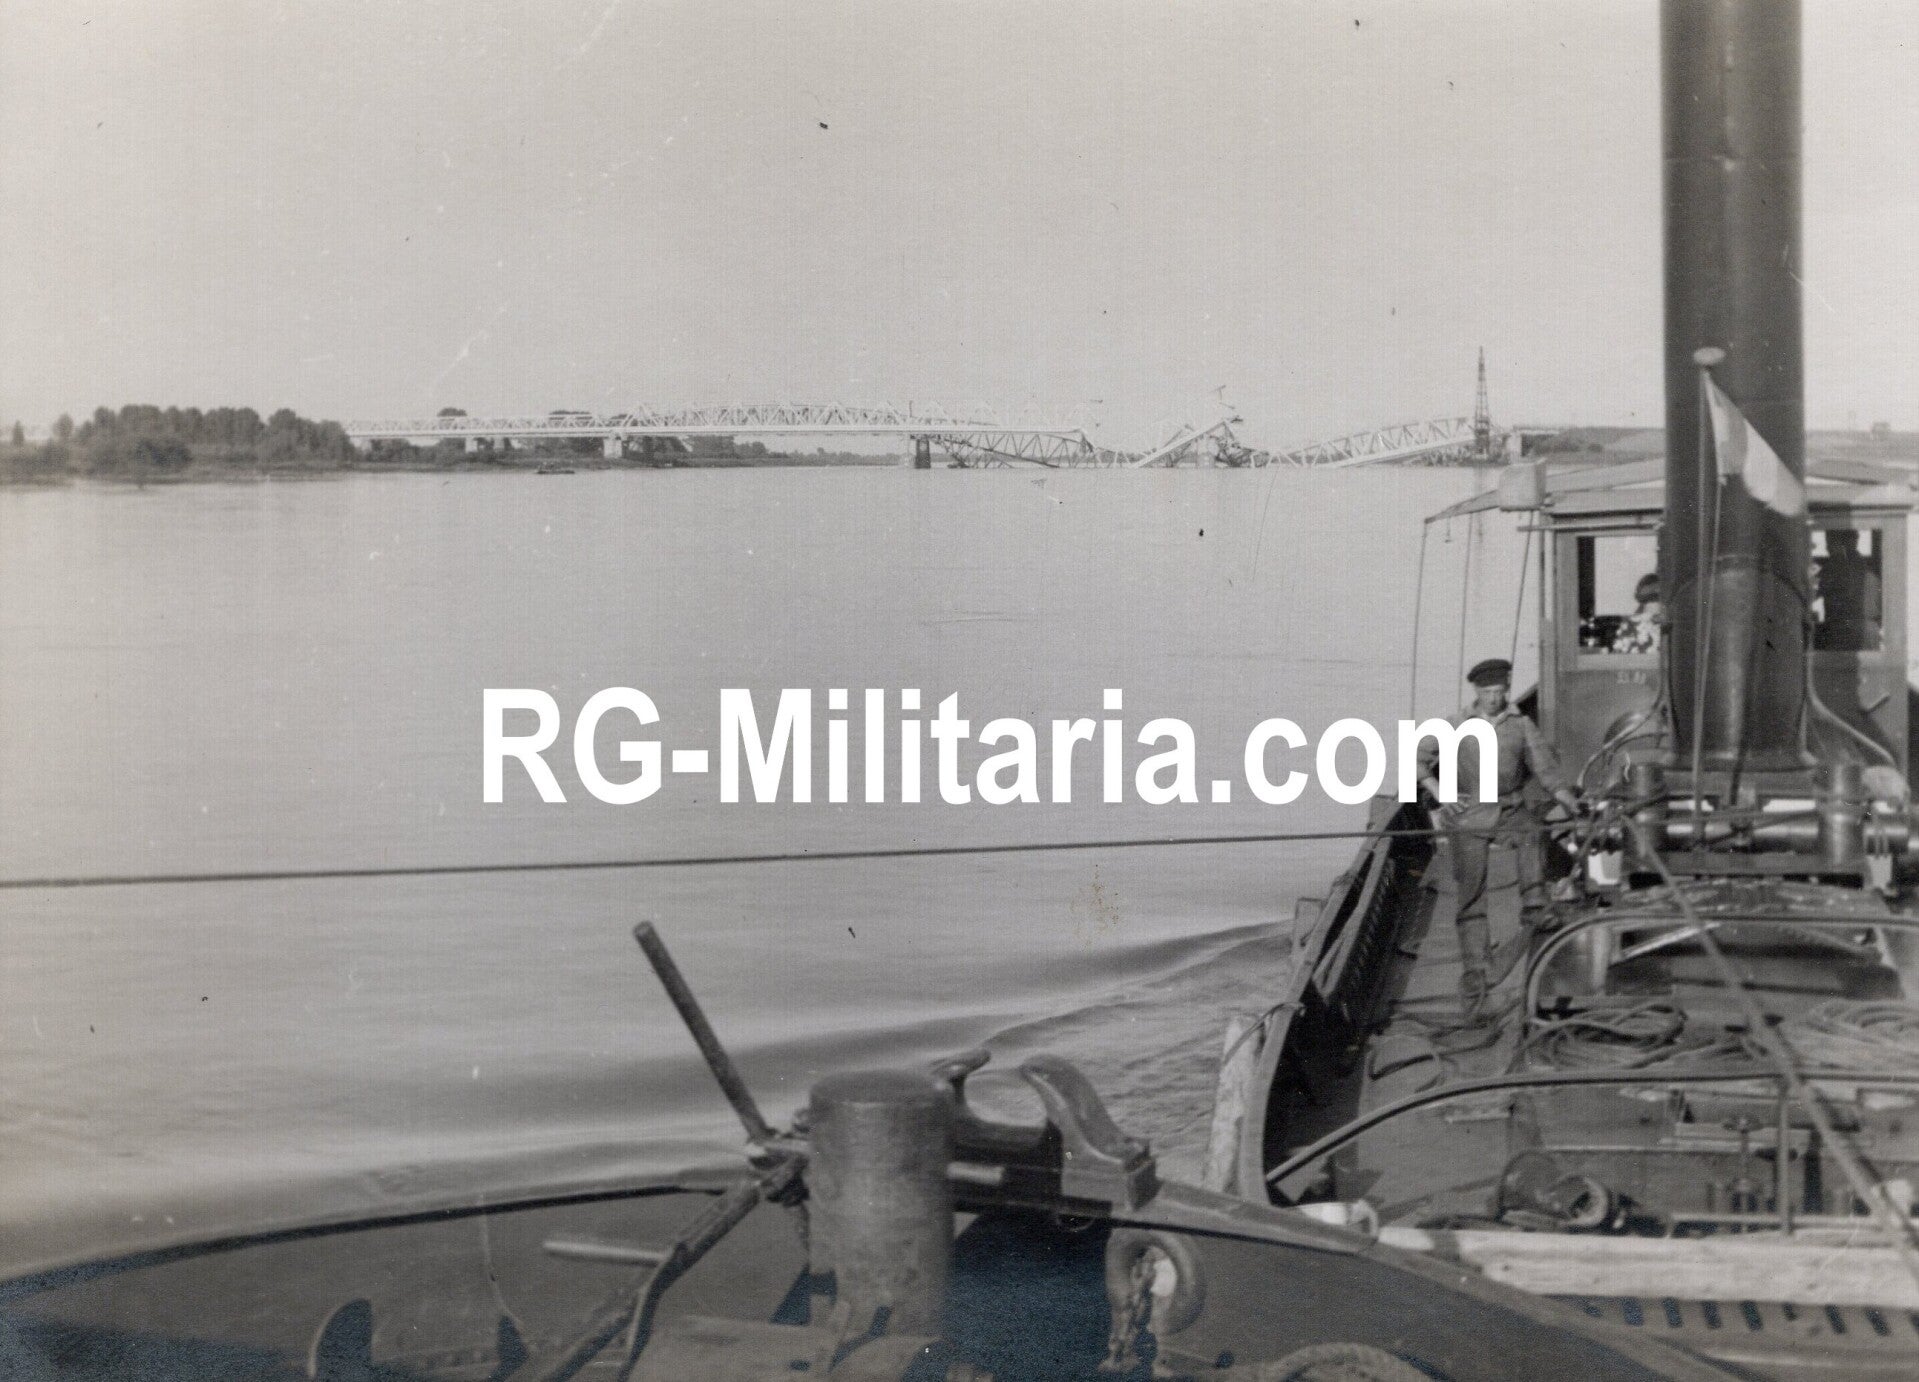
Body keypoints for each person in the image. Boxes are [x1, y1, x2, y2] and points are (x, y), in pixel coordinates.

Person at [1417, 659, 1579, 1019]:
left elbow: (1546, 771)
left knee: (1533, 831)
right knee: (1472, 893)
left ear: (1507, 690)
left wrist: (1570, 801)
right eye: (1487, 692)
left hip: (1509, 809)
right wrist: (1442, 794)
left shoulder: (1520, 725)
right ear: (1477, 691)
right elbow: (1417, 759)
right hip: (1469, 814)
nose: (1493, 698)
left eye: (1499, 691)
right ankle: (1476, 968)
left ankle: (1534, 906)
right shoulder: (1455, 725)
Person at [1612, 573, 1662, 654]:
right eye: (1649, 601)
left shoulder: (1671, 623)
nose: (1653, 605)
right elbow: (1619, 651)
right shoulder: (1631, 623)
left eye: (1655, 600)